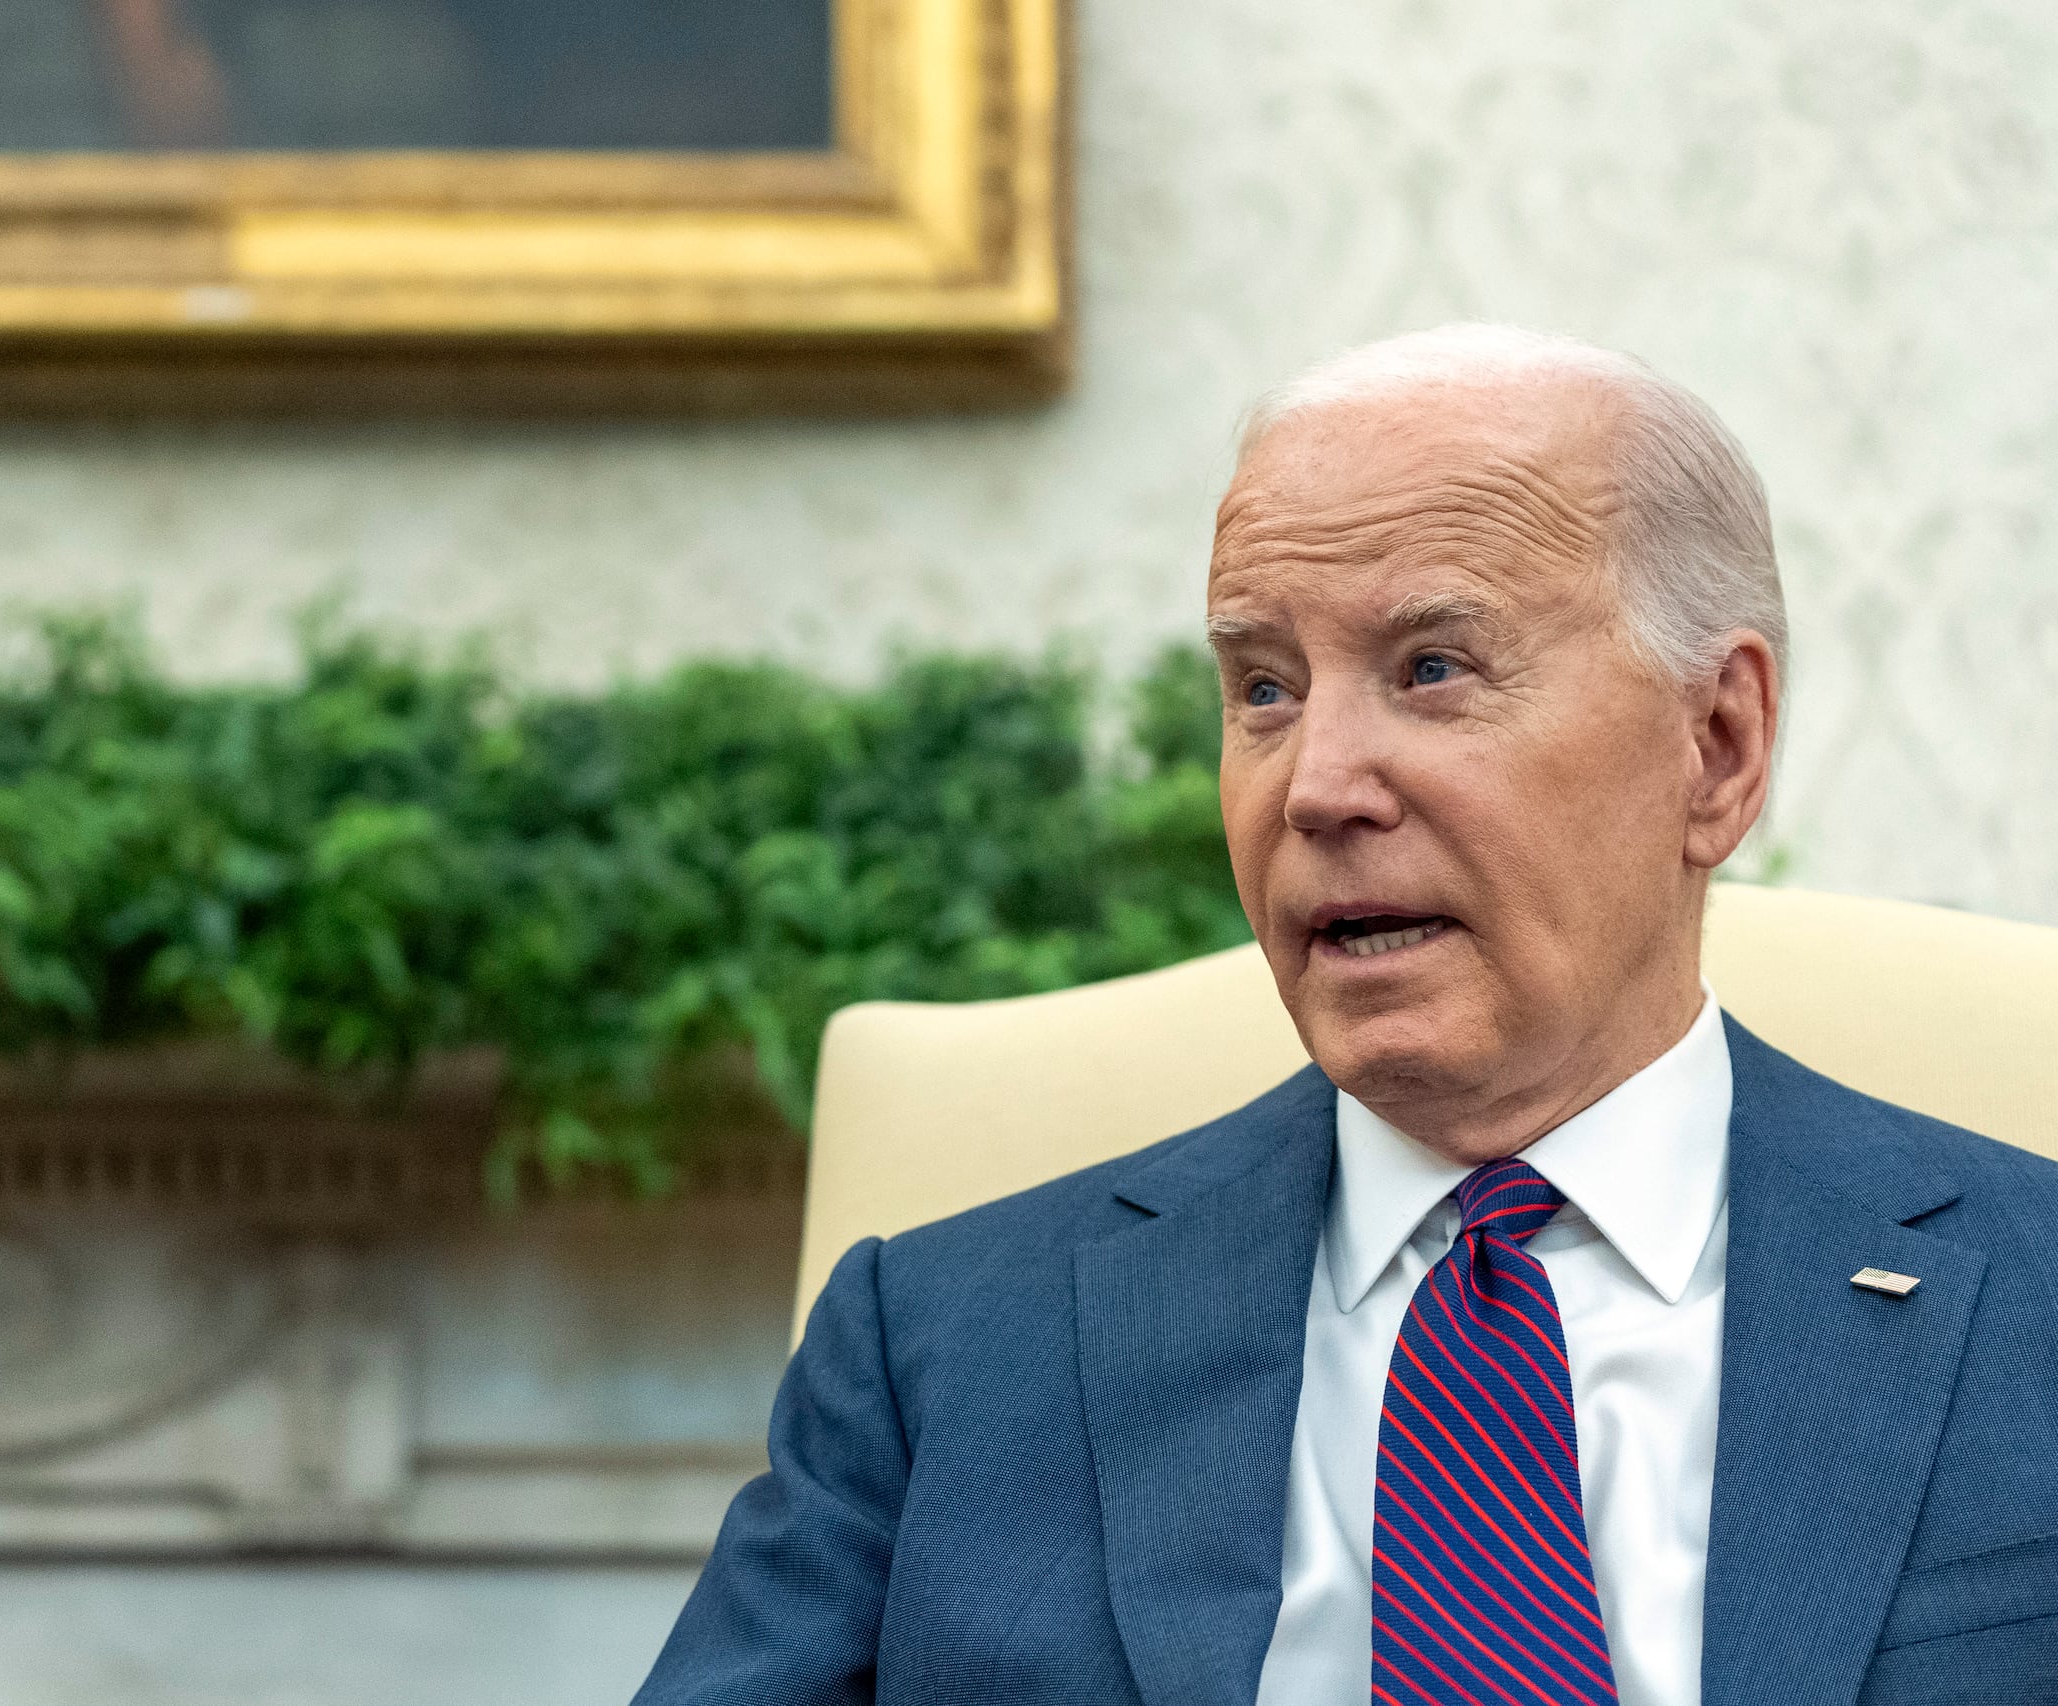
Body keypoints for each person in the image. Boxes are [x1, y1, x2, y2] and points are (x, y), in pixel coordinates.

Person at [633, 325, 2058, 1706]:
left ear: (1718, 745)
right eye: (1263, 687)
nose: (1315, 785)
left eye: (1432, 668)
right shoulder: (936, 1349)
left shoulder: (2030, 1303)